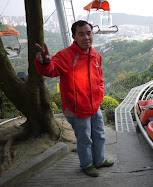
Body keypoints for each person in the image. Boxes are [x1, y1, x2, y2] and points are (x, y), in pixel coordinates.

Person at [34, 20, 113, 177]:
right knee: (84, 139)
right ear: (74, 36)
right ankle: (87, 164)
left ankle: (99, 160)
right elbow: (51, 69)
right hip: (76, 108)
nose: (86, 37)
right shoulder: (65, 56)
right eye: (81, 34)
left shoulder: (95, 55)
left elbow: (100, 78)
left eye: (88, 33)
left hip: (94, 105)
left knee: (99, 135)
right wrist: (44, 63)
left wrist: (100, 93)